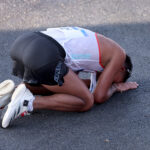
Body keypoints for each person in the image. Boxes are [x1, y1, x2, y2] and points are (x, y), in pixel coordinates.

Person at [0, 27, 138, 128]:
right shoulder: (119, 54)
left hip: (25, 43)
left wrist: (95, 84)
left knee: (57, 86)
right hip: (43, 52)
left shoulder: (95, 45)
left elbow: (70, 85)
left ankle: (11, 93)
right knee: (86, 102)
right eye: (113, 79)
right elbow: (99, 96)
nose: (108, 82)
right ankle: (27, 103)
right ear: (122, 68)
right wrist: (115, 87)